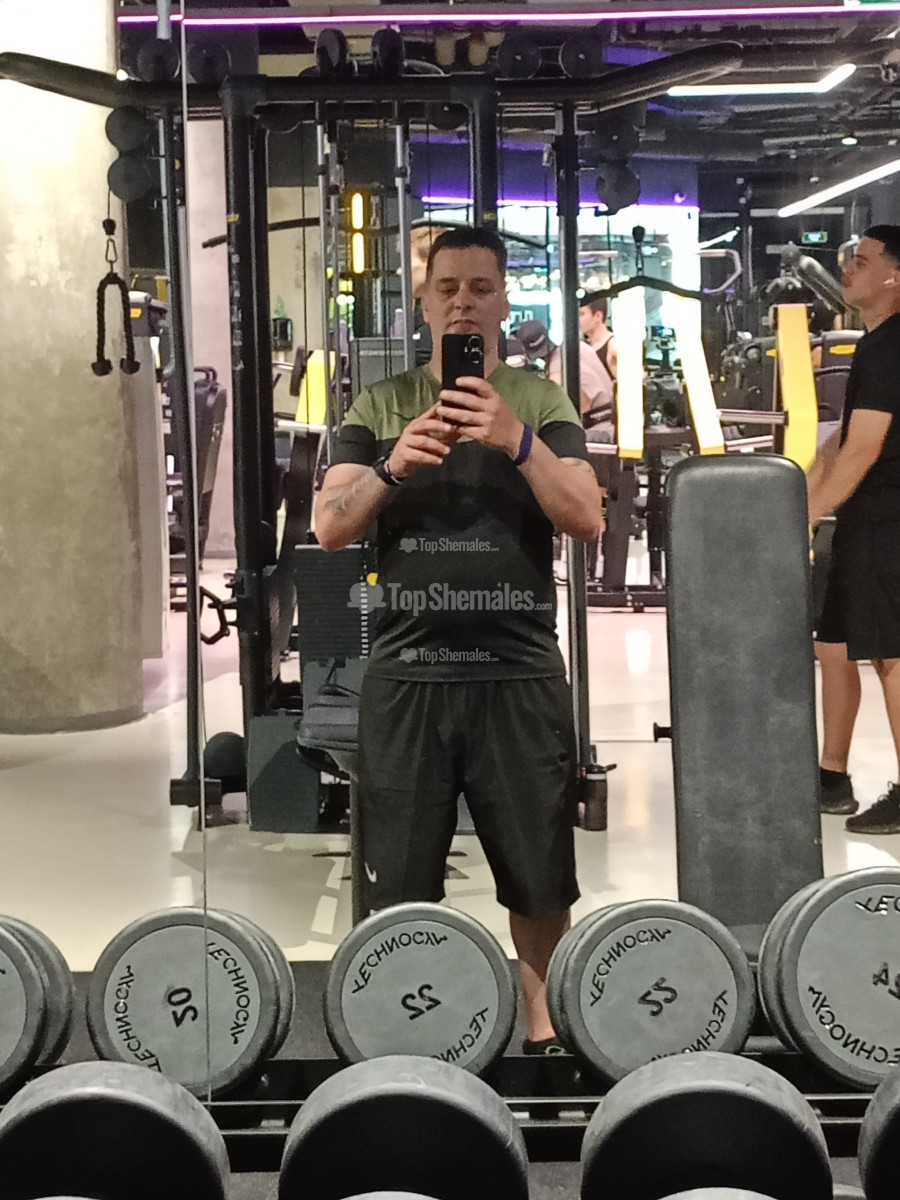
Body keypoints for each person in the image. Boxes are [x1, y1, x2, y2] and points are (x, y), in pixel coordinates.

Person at [315, 226, 603, 1051]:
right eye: (448, 288)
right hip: (408, 675)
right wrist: (393, 466)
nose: (464, 303)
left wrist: (515, 440)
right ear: (424, 300)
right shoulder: (380, 405)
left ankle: (546, 1039)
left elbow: (586, 516)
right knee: (399, 889)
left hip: (518, 674)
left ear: (504, 302)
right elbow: (329, 528)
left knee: (540, 879)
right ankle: (412, 1039)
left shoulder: (540, 402)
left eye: (481, 288)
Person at [807, 224, 900, 835]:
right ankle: (832, 775)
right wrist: (796, 495)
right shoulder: (875, 345)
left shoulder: (891, 345)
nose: (849, 268)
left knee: (893, 654)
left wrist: (807, 517)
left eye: (863, 261)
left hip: (888, 521)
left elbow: (864, 449)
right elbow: (842, 438)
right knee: (834, 645)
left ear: (895, 276)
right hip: (864, 521)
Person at [515, 319, 615, 435]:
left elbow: (563, 408)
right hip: (612, 425)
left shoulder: (557, 369)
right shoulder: (580, 347)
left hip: (596, 430)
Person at [397, 224, 452, 366]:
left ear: (430, 263)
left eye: (406, 262)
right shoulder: (423, 320)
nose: (399, 271)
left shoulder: (448, 325)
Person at [578, 293, 618, 383]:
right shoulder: (586, 347)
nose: (578, 319)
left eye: (581, 314)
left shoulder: (614, 345)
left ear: (598, 316)